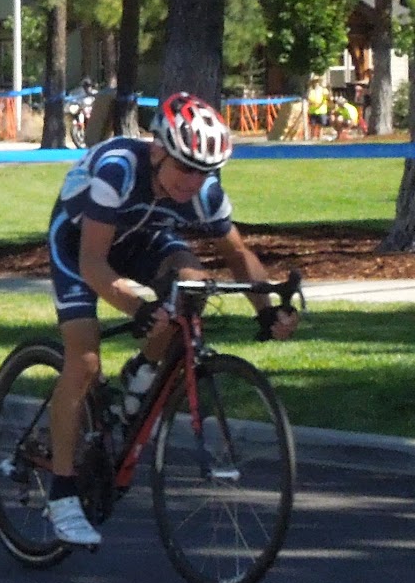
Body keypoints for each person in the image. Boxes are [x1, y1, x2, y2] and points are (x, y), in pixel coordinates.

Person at [42, 91, 299, 547]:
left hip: (145, 238)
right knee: (84, 360)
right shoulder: (119, 170)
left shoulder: (204, 191)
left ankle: (141, 373)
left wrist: (268, 309)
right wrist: (137, 308)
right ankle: (62, 493)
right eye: (185, 167)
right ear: (158, 151)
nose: (193, 181)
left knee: (193, 286)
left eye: (204, 171)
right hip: (80, 245)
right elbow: (94, 263)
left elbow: (238, 255)